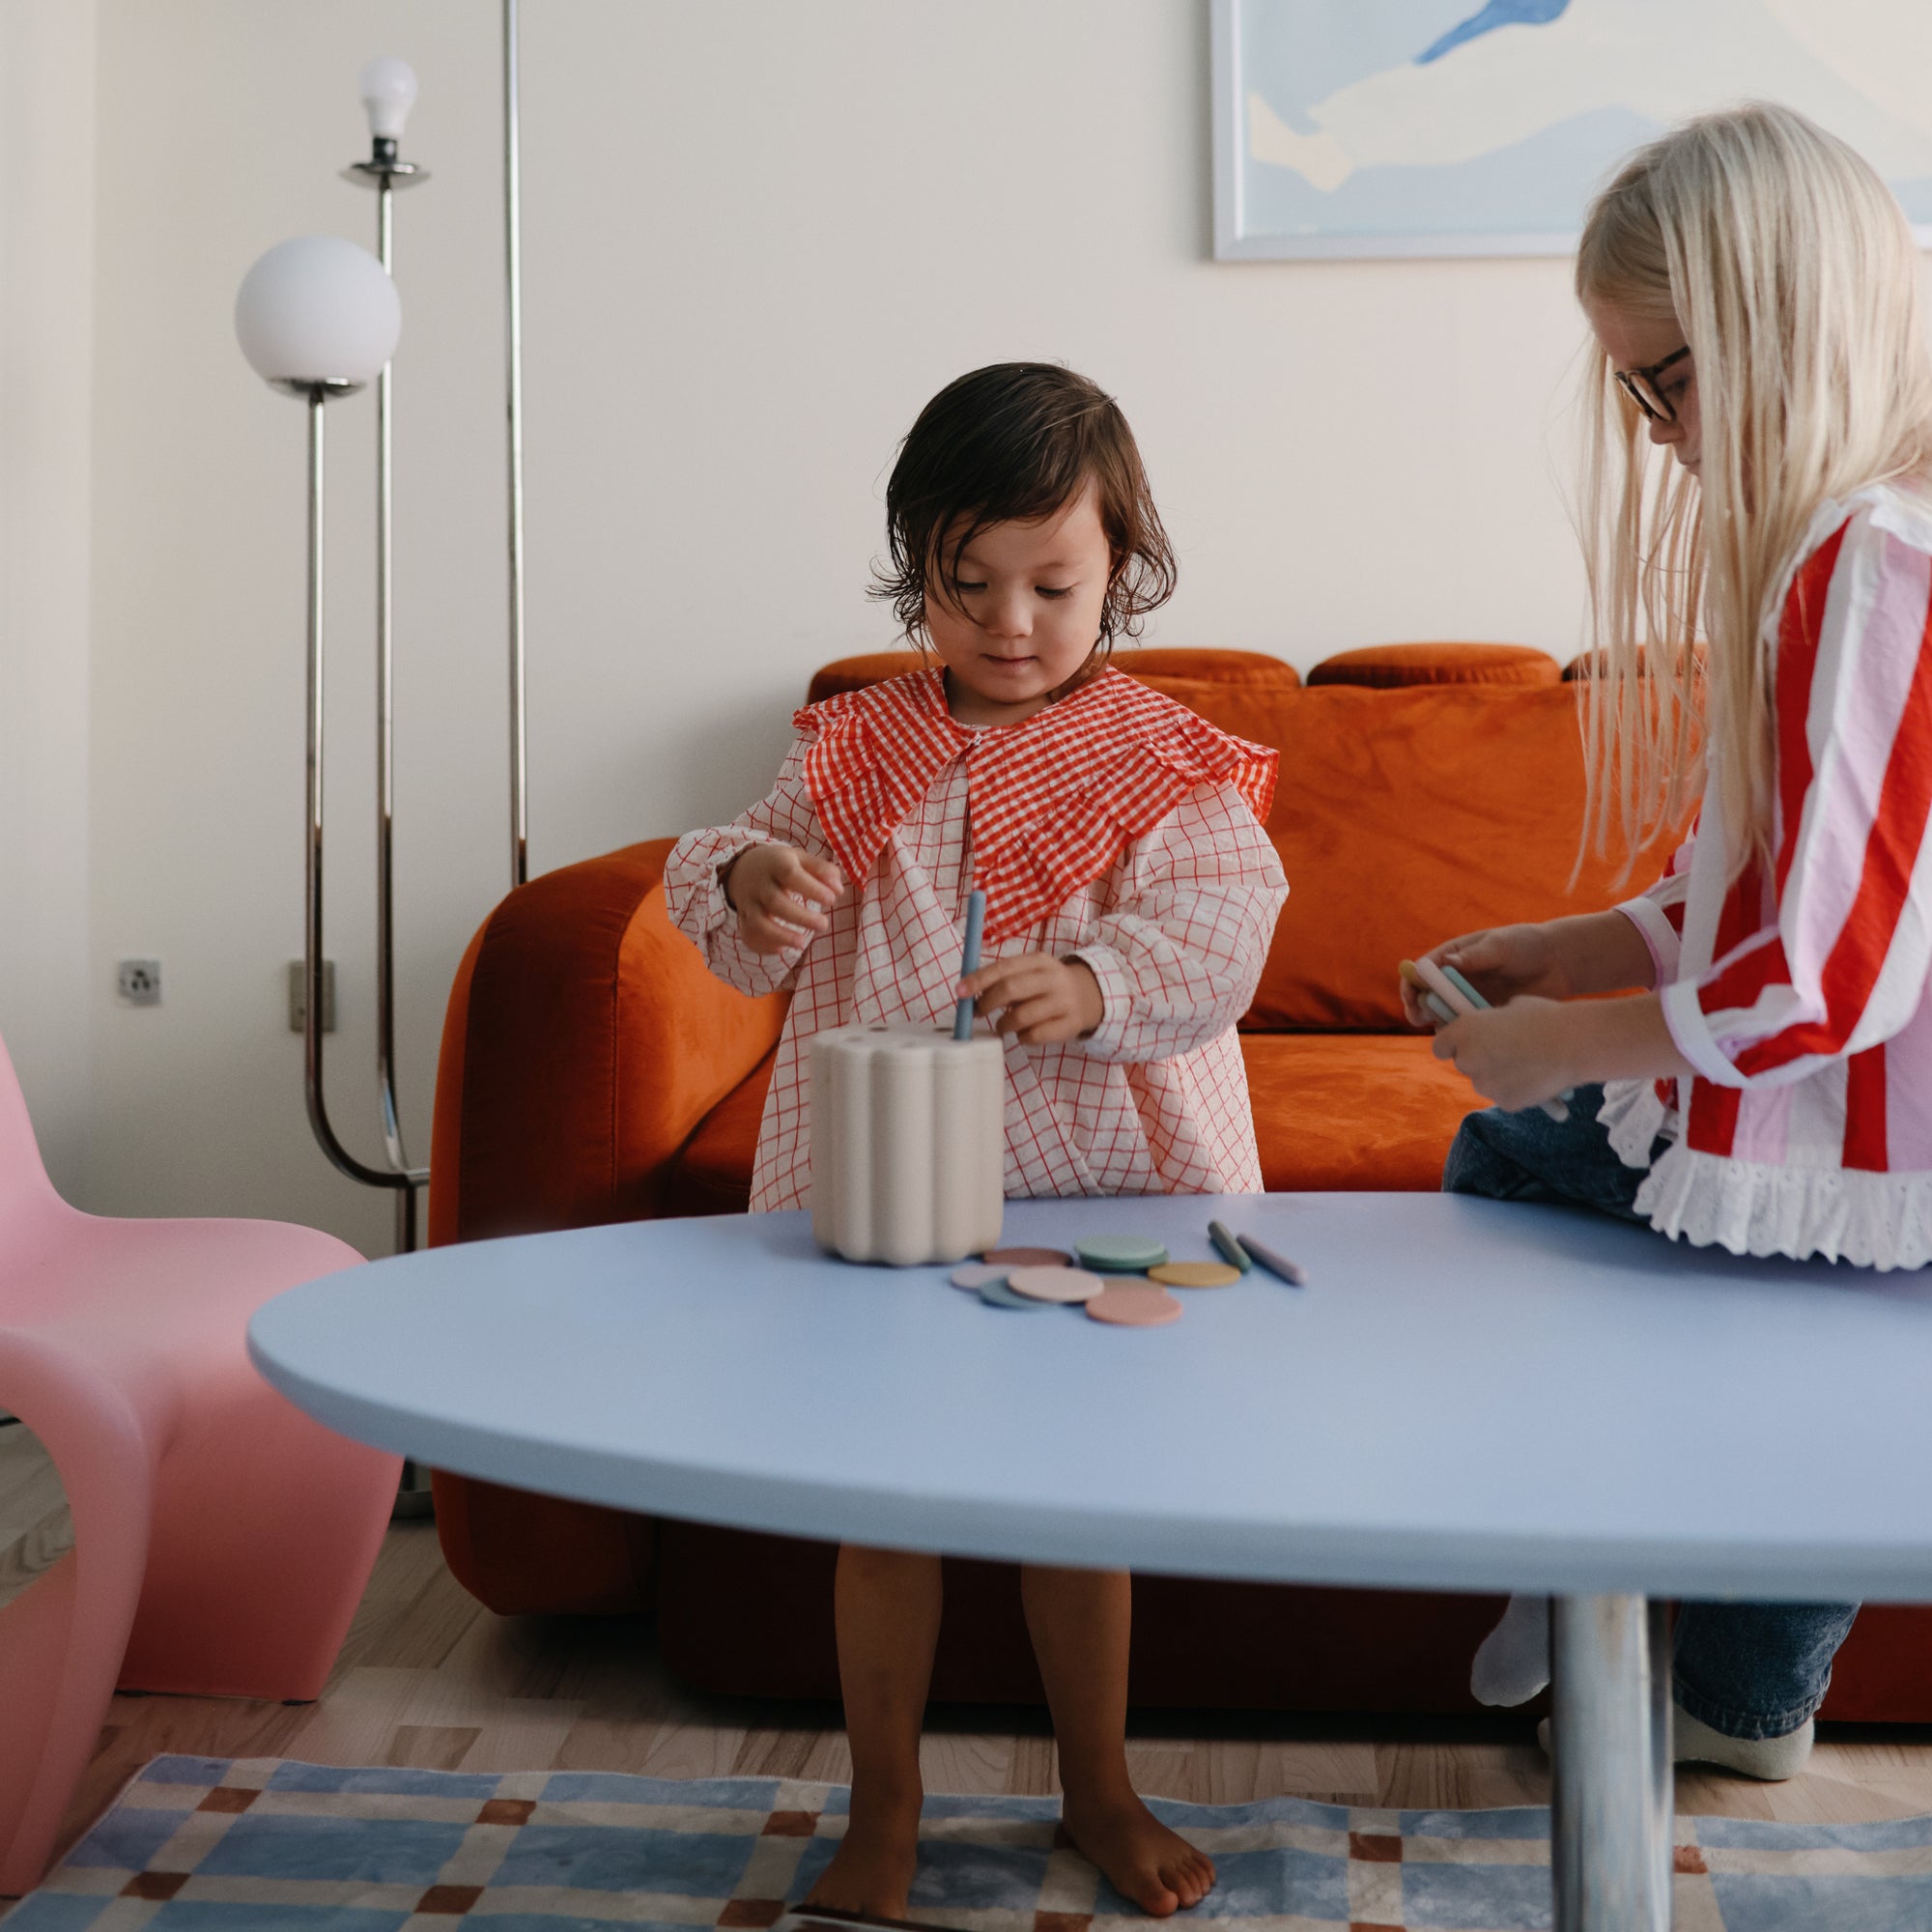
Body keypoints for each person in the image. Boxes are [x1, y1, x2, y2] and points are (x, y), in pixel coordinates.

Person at [665, 361, 1288, 1914]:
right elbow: (733, 884)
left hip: (1089, 1192)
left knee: (1075, 1513)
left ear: (1121, 571)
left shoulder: (1165, 760)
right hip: (888, 1189)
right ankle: (885, 1812)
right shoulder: (852, 749)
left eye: (1053, 584)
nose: (1011, 621)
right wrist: (745, 883)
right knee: (888, 1513)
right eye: (968, 585)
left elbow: (1229, 925)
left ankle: (1100, 1786)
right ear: (916, 573)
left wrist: (1098, 980)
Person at [1406, 102, 1932, 1781]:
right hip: (1865, 1142)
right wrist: (1584, 944)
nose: (1649, 435)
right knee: (1765, 1347)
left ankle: (1575, 1573)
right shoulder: (1855, 552)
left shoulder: (1871, 563)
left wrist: (1568, 1044)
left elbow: (1838, 973)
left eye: (1666, 384)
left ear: (1780, 324)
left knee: (1509, 1156)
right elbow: (1790, 877)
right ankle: (1740, 1704)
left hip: (1864, 1132)